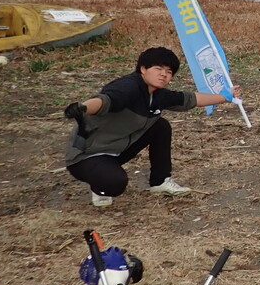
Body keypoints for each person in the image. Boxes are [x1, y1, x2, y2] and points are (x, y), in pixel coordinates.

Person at [62, 47, 241, 207]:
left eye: (169, 71)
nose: (164, 74)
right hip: (87, 155)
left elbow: (191, 99)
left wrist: (225, 96)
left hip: (116, 150)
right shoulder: (128, 87)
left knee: (160, 126)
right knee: (114, 184)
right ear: (143, 69)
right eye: (158, 69)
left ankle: (160, 181)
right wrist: (83, 107)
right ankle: (99, 185)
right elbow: (105, 101)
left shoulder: (158, 95)